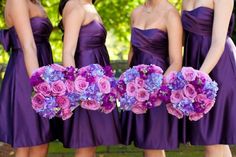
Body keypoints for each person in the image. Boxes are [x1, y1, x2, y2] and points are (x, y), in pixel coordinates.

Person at [58, 0, 121, 156]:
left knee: (91, 143)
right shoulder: (75, 5)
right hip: (85, 84)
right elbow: (68, 53)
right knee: (86, 143)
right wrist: (76, 88)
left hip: (99, 84)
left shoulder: (88, 5)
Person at [121, 0, 183, 157]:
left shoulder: (171, 13)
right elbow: (132, 52)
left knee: (153, 143)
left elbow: (176, 61)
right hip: (136, 87)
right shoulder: (136, 12)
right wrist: (130, 83)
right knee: (145, 143)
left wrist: (156, 88)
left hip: (159, 86)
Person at [0, 0, 55, 157]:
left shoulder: (36, 2)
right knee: (29, 142)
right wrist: (38, 85)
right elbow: (28, 46)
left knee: (41, 141)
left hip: (42, 68)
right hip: (26, 74)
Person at [182, 0, 236, 157]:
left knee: (214, 140)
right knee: (213, 141)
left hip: (217, 67)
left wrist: (198, 79)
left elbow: (219, 42)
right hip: (194, 64)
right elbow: (184, 39)